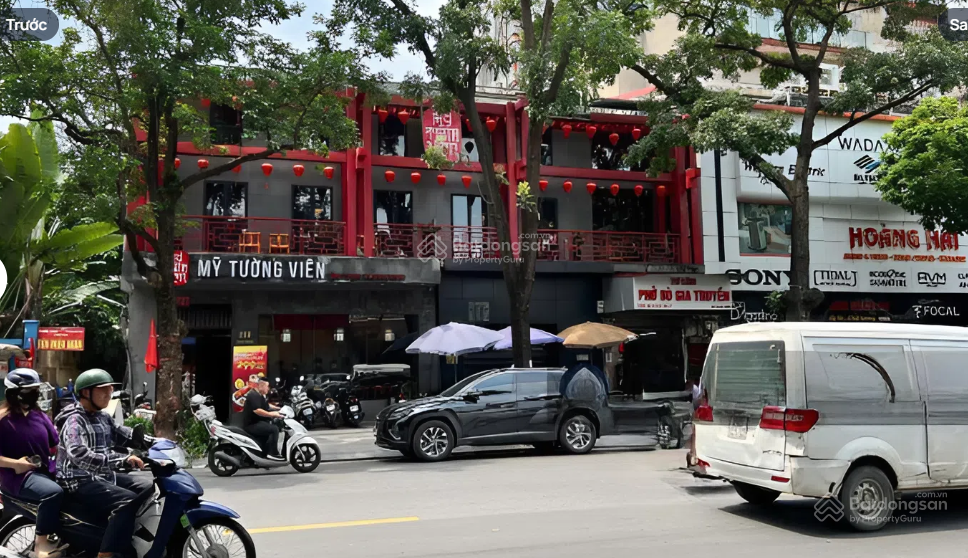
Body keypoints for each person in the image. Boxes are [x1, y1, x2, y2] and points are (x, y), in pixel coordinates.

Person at [56, 369, 152, 558]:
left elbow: (123, 434)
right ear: (86, 392)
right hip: (77, 479)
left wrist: (156, 442)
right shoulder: (74, 420)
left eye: (110, 389)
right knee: (127, 500)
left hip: (100, 475)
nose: (109, 393)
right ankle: (106, 552)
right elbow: (79, 454)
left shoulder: (102, 416)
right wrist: (121, 459)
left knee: (147, 487)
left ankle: (125, 534)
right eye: (103, 389)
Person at [0, 369, 65, 558]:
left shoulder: (40, 416)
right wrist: (15, 464)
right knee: (52, 493)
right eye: (29, 390)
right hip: (17, 478)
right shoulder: (3, 419)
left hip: (44, 472)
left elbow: (55, 445)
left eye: (36, 390)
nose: (34, 394)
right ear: (13, 393)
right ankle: (41, 544)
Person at [242, 378, 284, 457]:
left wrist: (279, 409)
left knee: (272, 425)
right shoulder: (253, 395)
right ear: (261, 386)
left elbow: (267, 405)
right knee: (274, 429)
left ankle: (264, 452)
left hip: (258, 422)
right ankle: (273, 453)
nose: (268, 388)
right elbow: (257, 410)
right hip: (252, 425)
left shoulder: (260, 395)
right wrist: (272, 414)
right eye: (267, 386)